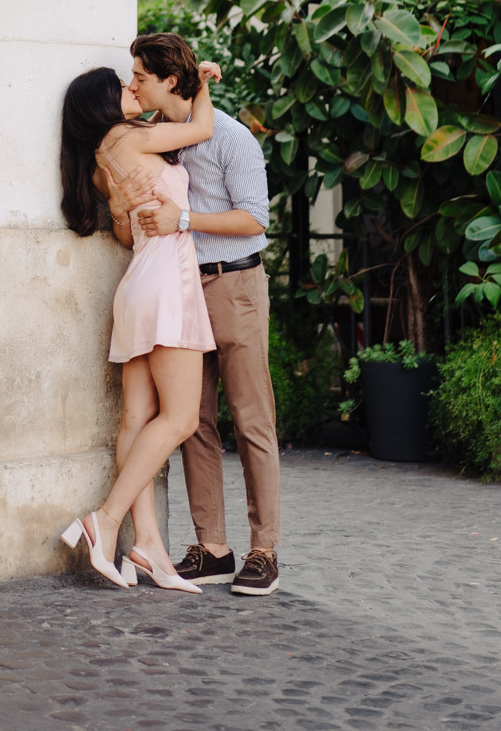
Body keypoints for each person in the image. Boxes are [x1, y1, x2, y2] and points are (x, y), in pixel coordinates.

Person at [112, 32, 282, 597]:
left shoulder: (230, 137)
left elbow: (255, 219)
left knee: (251, 418)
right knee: (195, 423)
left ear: (171, 81)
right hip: (181, 291)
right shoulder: (158, 142)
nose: (132, 84)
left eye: (140, 75)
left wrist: (183, 222)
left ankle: (264, 550)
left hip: (233, 285)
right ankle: (212, 547)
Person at [58, 64, 217, 592]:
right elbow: (200, 129)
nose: (132, 88)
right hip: (168, 281)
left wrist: (124, 210)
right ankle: (104, 521)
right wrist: (206, 84)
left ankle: (146, 544)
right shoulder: (135, 135)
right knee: (180, 419)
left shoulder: (102, 159)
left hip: (136, 284)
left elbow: (127, 236)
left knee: (136, 419)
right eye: (121, 87)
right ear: (104, 104)